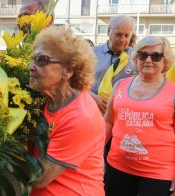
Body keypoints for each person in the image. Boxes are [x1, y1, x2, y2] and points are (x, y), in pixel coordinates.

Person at [29, 27, 105, 195]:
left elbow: (40, 177)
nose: (31, 67)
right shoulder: (46, 98)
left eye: (41, 60)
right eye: (33, 59)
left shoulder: (80, 118)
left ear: (68, 70)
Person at [104, 36, 175, 196]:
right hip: (117, 168)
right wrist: (92, 153)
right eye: (143, 55)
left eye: (156, 56)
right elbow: (108, 123)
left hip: (157, 174)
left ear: (166, 61)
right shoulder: (120, 86)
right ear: (136, 58)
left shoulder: (173, 92)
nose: (148, 60)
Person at [91, 15, 137, 115]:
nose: (122, 40)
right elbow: (74, 84)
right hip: (92, 112)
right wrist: (92, 96)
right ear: (108, 31)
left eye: (127, 35)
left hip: (122, 116)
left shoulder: (137, 57)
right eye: (118, 34)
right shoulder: (90, 53)